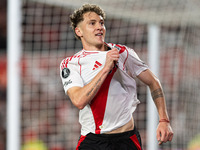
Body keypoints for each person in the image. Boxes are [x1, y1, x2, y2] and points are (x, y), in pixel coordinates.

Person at [60, 4, 173, 150]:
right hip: (94, 141)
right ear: (78, 31)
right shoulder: (71, 63)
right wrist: (106, 68)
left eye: (101, 22)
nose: (99, 27)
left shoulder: (122, 52)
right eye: (92, 23)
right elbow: (79, 100)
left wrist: (164, 119)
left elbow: (153, 82)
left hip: (127, 139)